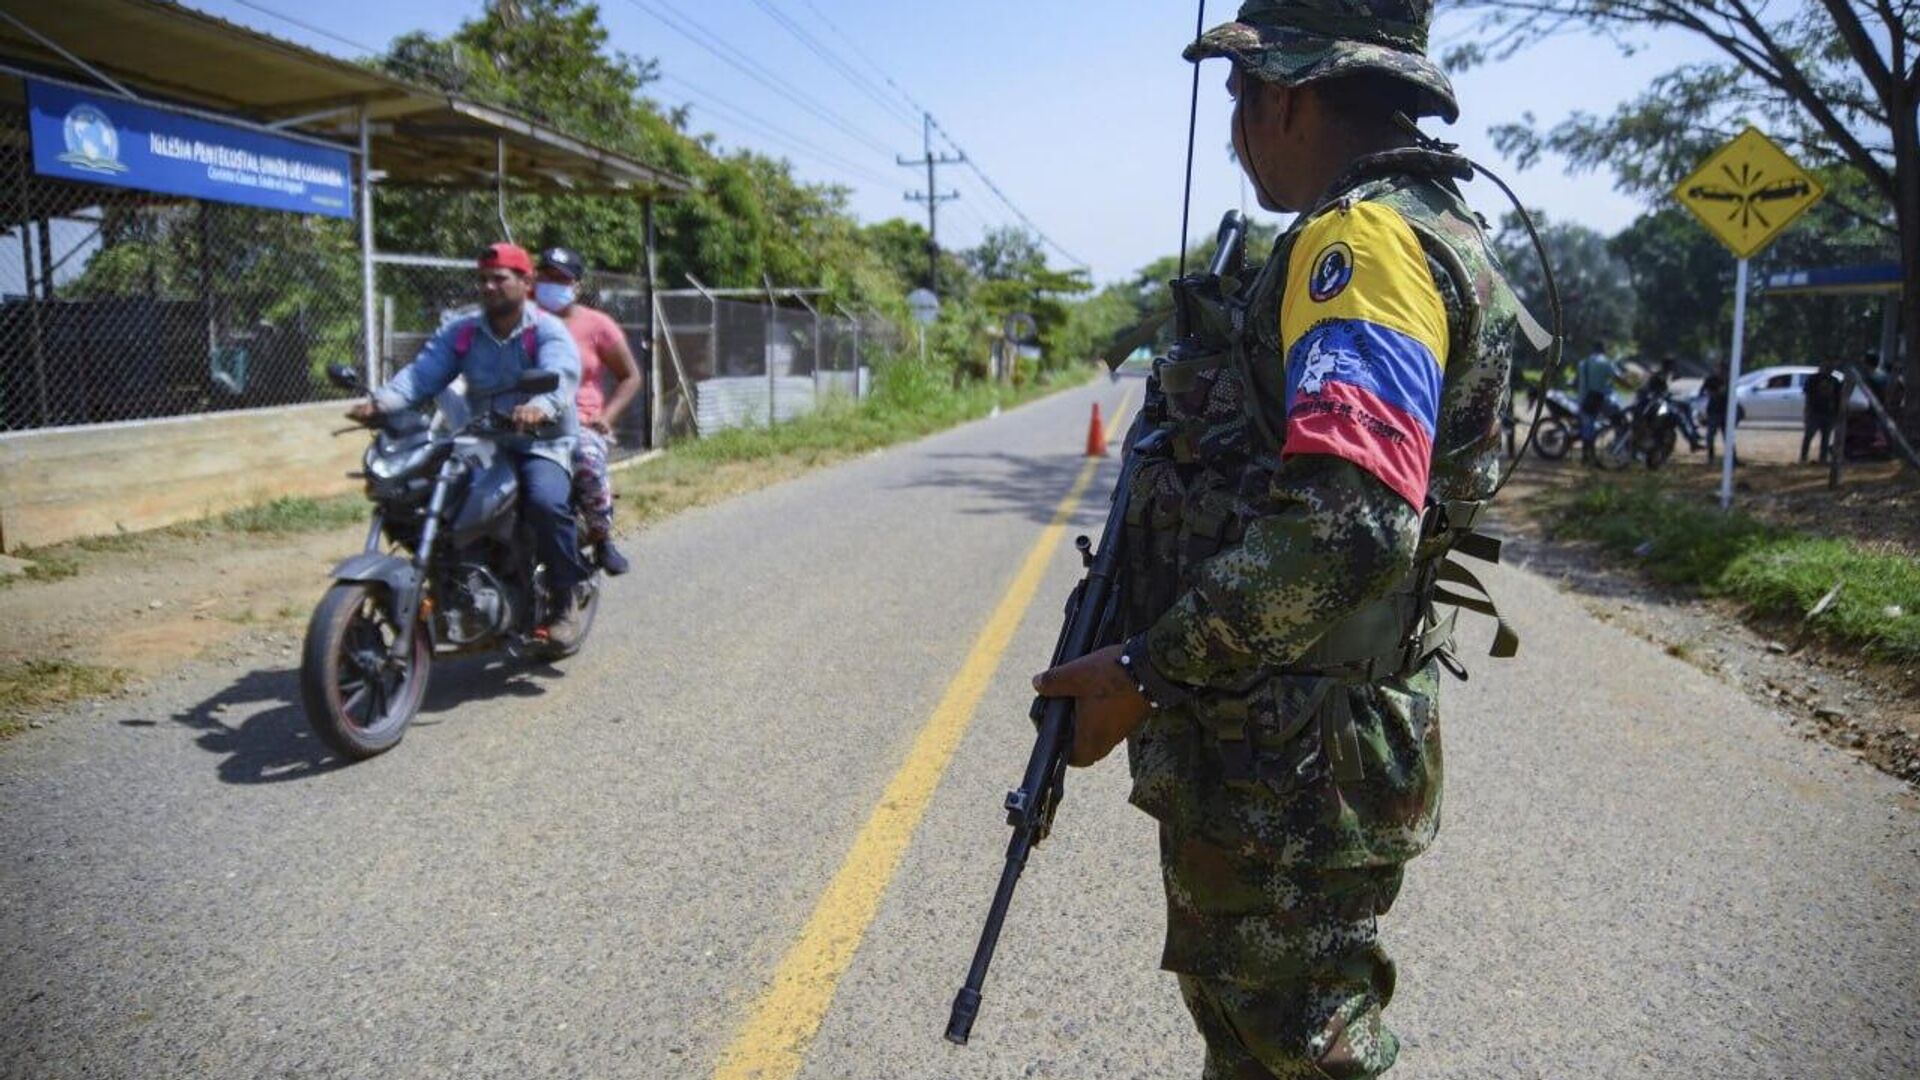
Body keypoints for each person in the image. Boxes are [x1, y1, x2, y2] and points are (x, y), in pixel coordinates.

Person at [1030, 1, 1519, 1075]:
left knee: (1302, 1046)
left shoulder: (1364, 246)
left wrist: (1145, 671)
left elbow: (1348, 527)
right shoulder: (1427, 227)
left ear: (1290, 95)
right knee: (1259, 1038)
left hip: (1292, 750)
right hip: (1296, 734)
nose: (1238, 122)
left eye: (1242, 92)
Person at [346, 242, 592, 643]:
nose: (490, 287)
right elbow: (422, 375)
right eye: (483, 279)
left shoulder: (546, 330)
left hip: (540, 442)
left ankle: (564, 599)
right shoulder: (460, 333)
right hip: (480, 438)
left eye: (500, 278)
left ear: (526, 281)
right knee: (427, 495)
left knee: (545, 501)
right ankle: (454, 581)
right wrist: (380, 403)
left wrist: (539, 406)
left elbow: (561, 374)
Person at [534, 246, 642, 576]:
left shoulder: (597, 325)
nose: (551, 284)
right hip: (525, 418)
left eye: (561, 279)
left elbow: (630, 376)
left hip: (578, 420)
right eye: (546, 276)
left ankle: (601, 536)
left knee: (586, 459)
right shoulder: (521, 320)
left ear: (577, 286)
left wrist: (605, 418)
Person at [1573, 345, 1620, 463]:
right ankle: (1591, 456)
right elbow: (1617, 377)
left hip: (1582, 399)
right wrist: (1631, 386)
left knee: (1587, 426)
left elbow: (1576, 381)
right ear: (1603, 351)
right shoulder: (1606, 363)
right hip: (1596, 399)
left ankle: (1585, 456)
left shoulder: (1583, 363)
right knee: (1595, 425)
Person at [1801, 359, 1842, 464]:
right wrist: (1807, 411)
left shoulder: (1835, 381)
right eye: (1826, 367)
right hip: (1814, 412)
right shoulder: (1813, 379)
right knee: (1808, 436)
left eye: (1830, 368)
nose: (1828, 369)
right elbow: (1807, 396)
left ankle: (1822, 459)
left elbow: (1838, 399)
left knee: (1826, 438)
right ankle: (1803, 458)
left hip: (1829, 414)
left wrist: (1837, 414)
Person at [1701, 363, 1730, 464]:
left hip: (1726, 411)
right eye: (1721, 370)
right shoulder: (1711, 380)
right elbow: (1703, 392)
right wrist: (1715, 393)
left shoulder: (1729, 380)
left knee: (1728, 436)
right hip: (1713, 411)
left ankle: (1732, 458)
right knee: (1710, 436)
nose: (1722, 372)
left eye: (1724, 370)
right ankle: (1710, 457)